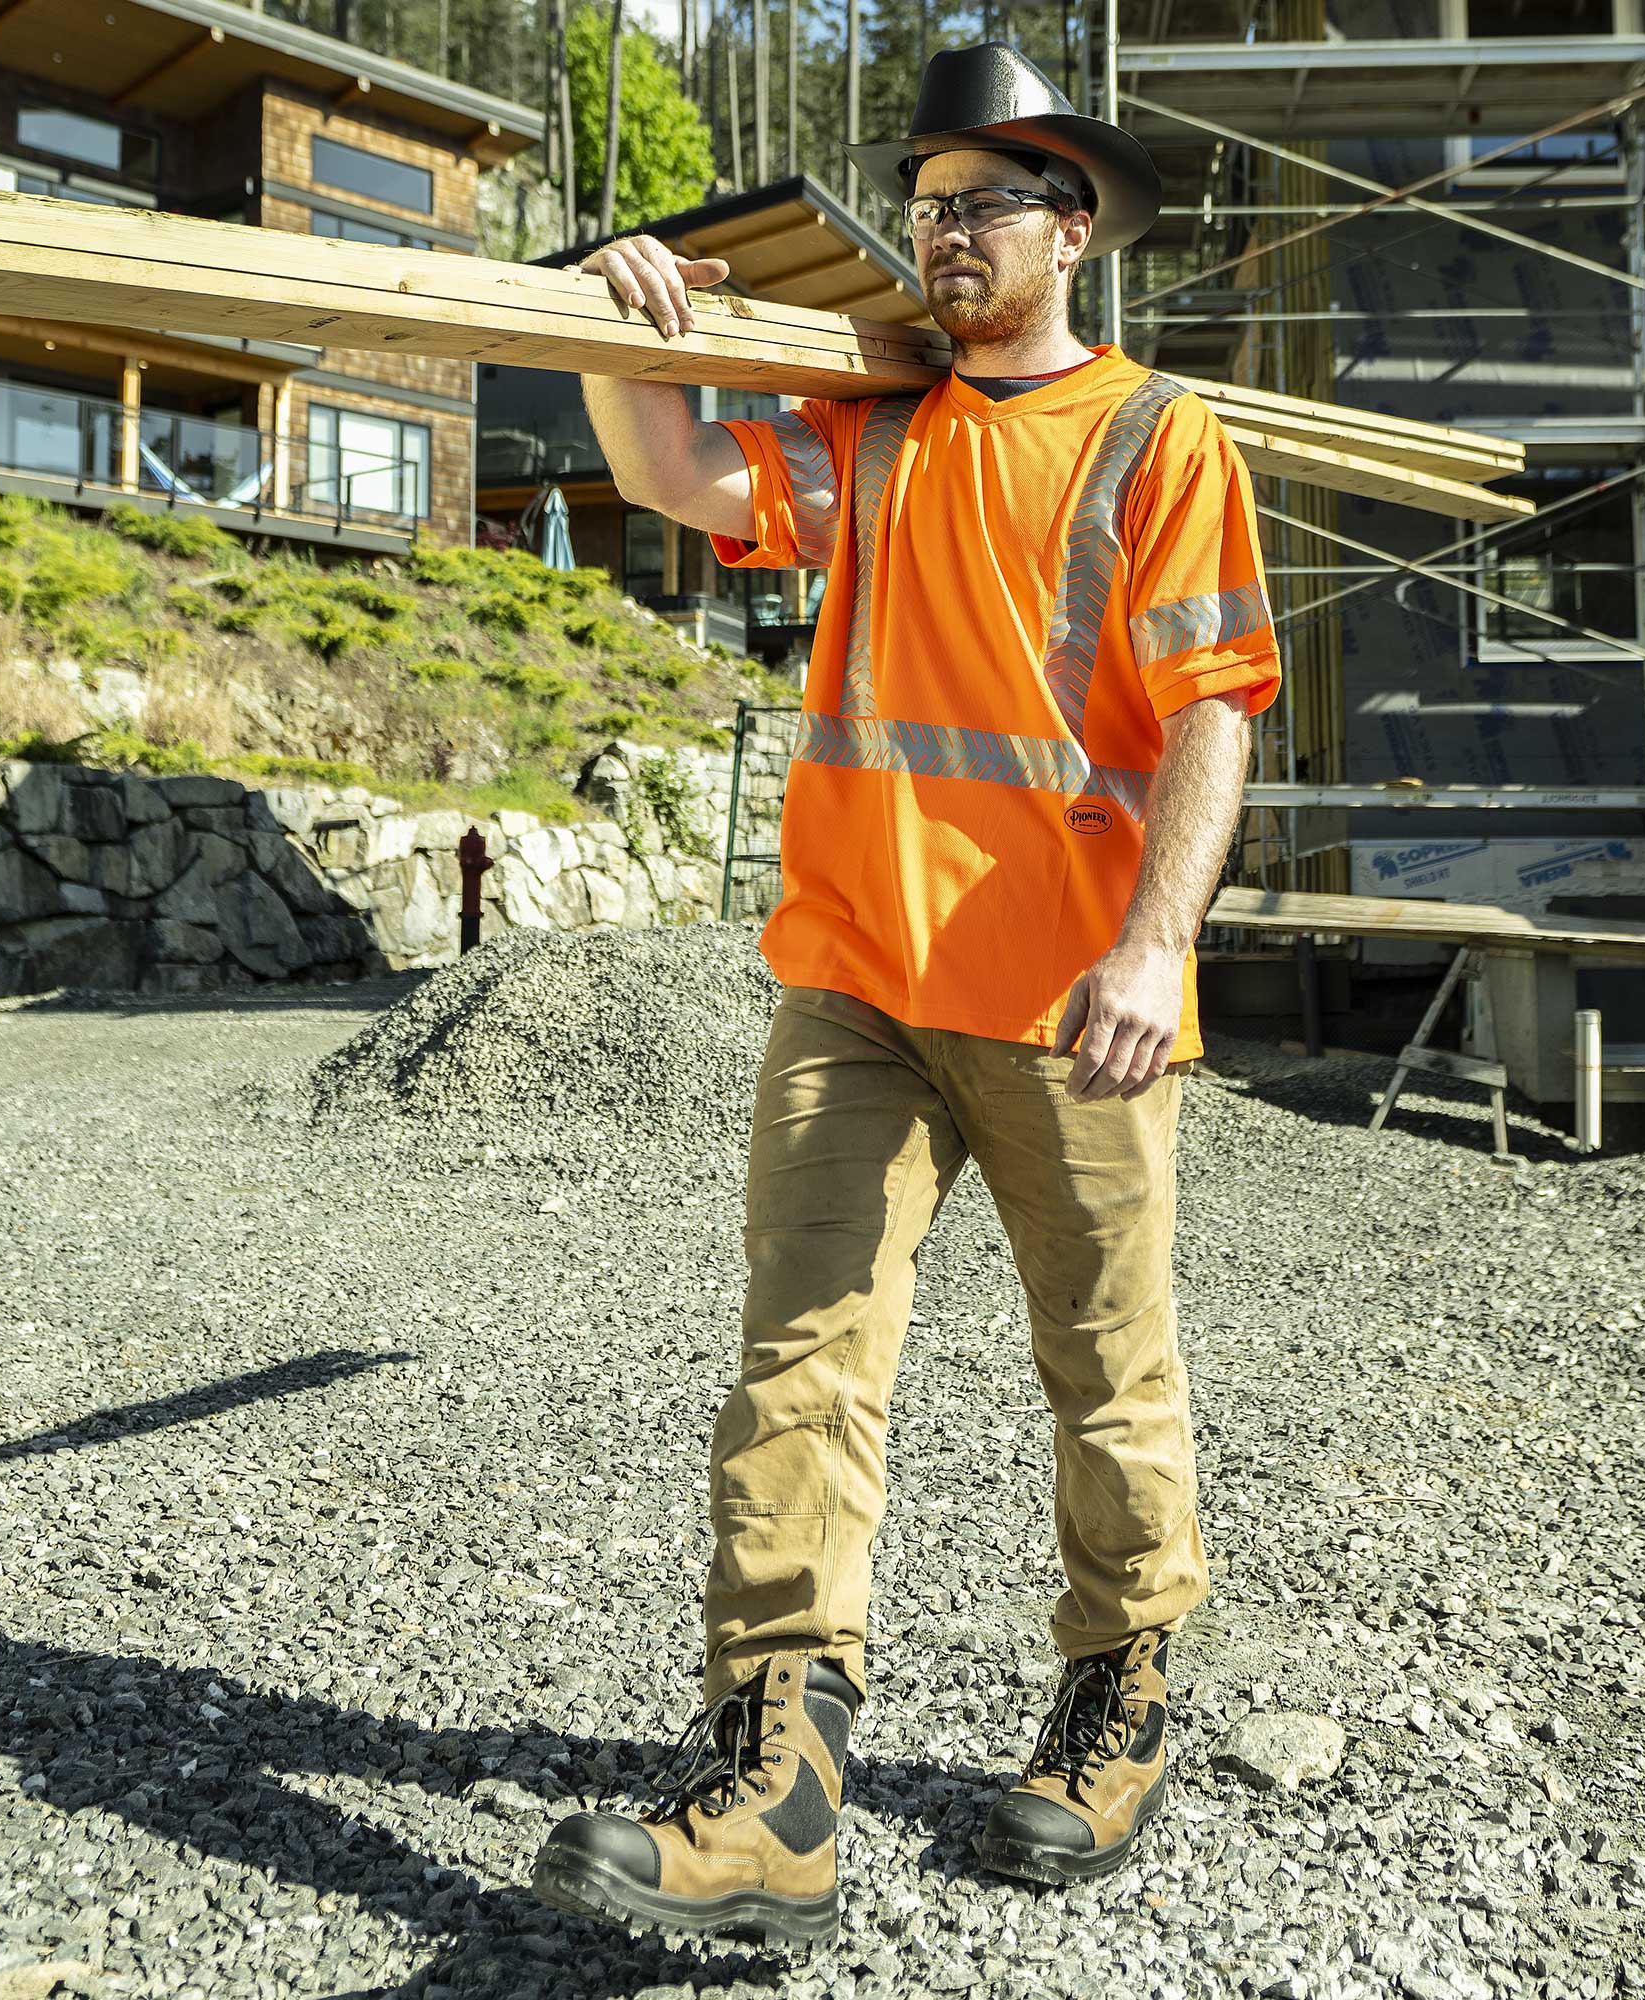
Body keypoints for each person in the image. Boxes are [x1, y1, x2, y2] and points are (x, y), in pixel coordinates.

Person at [531, 41, 1282, 1946]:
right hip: (856, 982)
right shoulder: (869, 425)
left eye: (983, 203)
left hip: (1071, 1003)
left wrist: (1155, 938)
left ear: (1074, 225)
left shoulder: (1154, 437)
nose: (943, 234)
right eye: (929, 204)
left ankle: (1120, 1695)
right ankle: (773, 1779)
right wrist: (633, 331)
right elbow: (680, 474)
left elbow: (1214, 716)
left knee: (1106, 1369)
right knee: (803, 1358)